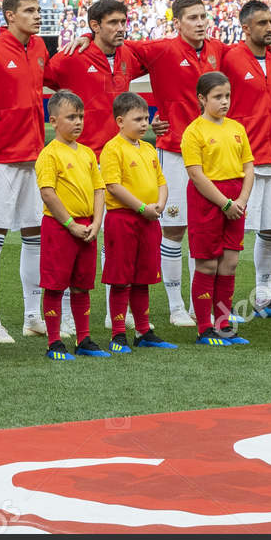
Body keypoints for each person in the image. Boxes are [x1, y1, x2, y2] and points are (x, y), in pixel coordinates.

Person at [131, 0, 228, 327]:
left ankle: (196, 305)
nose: (200, 22)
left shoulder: (218, 50)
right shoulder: (161, 49)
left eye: (204, 16)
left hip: (211, 157)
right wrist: (87, 36)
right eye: (193, 17)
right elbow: (117, 48)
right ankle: (175, 307)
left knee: (204, 231)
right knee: (173, 229)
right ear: (177, 23)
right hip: (173, 150)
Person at [0, 0, 50, 344]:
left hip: (34, 157)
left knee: (35, 236)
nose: (37, 15)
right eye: (29, 10)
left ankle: (32, 316)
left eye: (38, 10)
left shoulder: (38, 47)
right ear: (10, 16)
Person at [222, 0, 271, 319]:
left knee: (270, 230)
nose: (269, 28)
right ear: (245, 27)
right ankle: (222, 303)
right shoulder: (229, 58)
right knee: (232, 235)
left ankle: (264, 298)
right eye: (262, 23)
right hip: (239, 161)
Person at [180, 71, 254, 346]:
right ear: (202, 98)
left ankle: (223, 323)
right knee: (208, 263)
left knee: (230, 263)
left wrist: (242, 200)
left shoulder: (237, 128)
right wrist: (224, 203)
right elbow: (196, 175)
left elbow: (249, 167)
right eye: (218, 97)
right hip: (208, 200)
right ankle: (204, 327)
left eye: (227, 96)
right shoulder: (194, 131)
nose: (224, 102)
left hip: (236, 200)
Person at [34, 90, 108, 361]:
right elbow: (48, 193)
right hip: (60, 228)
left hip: (87, 228)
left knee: (82, 285)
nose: (78, 122)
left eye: (80, 117)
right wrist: (70, 224)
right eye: (71, 117)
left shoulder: (88, 153)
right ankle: (54, 341)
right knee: (55, 285)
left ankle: (84, 337)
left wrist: (96, 223)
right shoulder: (49, 154)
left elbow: (99, 190)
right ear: (53, 121)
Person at [100, 92, 175, 352]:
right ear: (120, 121)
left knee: (144, 277)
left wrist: (160, 205)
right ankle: (118, 334)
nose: (145, 123)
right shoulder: (112, 148)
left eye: (146, 118)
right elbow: (112, 185)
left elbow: (161, 182)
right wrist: (142, 207)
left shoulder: (149, 149)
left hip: (149, 220)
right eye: (138, 119)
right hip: (123, 220)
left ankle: (143, 331)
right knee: (121, 278)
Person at [43, 0, 143, 151]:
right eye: (113, 22)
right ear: (95, 25)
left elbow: (162, 53)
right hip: (84, 154)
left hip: (120, 153)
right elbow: (38, 76)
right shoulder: (71, 56)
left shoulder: (128, 54)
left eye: (123, 22)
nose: (121, 28)